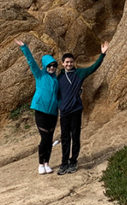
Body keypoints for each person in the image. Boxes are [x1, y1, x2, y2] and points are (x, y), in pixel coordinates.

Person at [57, 41, 110, 174]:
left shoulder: (79, 73)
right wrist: (59, 105)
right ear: (63, 63)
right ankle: (64, 163)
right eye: (66, 62)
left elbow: (93, 68)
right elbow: (55, 92)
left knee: (75, 136)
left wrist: (102, 55)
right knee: (65, 138)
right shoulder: (60, 77)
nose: (69, 64)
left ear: (73, 62)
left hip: (75, 110)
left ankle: (73, 162)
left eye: (71, 62)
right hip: (64, 112)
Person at [15, 39, 60, 174]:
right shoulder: (40, 75)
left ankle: (47, 163)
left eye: (54, 65)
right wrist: (24, 47)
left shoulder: (56, 80)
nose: (52, 68)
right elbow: (31, 62)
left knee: (50, 138)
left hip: (53, 113)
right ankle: (41, 164)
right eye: (49, 65)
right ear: (45, 65)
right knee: (45, 138)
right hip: (40, 111)